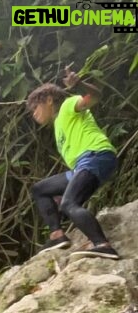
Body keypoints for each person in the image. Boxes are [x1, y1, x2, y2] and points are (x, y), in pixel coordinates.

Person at [28, 66, 119, 260]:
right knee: (40, 189)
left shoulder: (68, 106)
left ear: (49, 100)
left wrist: (78, 85)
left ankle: (103, 245)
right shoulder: (59, 124)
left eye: (35, 107)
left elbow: (94, 97)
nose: (34, 114)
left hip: (96, 156)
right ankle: (57, 235)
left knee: (69, 204)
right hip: (85, 164)